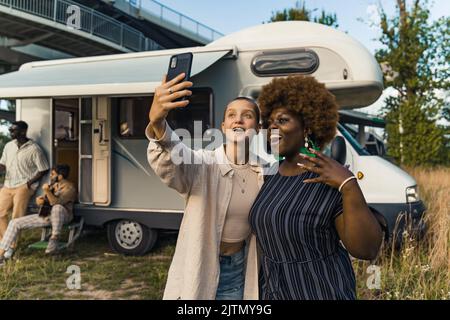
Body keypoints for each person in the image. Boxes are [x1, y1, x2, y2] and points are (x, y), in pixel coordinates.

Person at [249, 76, 383, 300]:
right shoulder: (270, 176)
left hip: (321, 290)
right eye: (269, 123)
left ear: (307, 128)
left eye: (282, 120)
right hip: (274, 292)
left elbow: (366, 250)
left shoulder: (328, 179)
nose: (272, 127)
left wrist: (349, 185)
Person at [146, 73, 269, 300]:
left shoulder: (264, 172)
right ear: (223, 126)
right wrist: (158, 124)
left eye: (247, 115)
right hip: (201, 265)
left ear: (258, 127)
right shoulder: (203, 164)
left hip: (240, 268)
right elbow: (173, 157)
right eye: (231, 115)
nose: (238, 120)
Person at [0, 164, 77, 265]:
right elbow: (44, 201)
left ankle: (54, 238)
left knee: (57, 208)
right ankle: (1, 254)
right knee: (14, 222)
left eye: (52, 174)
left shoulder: (70, 188)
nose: (50, 176)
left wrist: (46, 191)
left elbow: (55, 203)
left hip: (63, 216)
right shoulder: (53, 186)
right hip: (46, 215)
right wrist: (40, 200)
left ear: (60, 176)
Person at [0, 121, 49, 257]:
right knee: (0, 213)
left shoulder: (34, 149)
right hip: (8, 185)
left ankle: (11, 247)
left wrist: (28, 183)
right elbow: (3, 164)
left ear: (22, 132)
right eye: (10, 130)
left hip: (24, 186)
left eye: (13, 130)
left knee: (16, 217)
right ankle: (5, 241)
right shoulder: (9, 146)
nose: (10, 132)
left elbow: (43, 169)